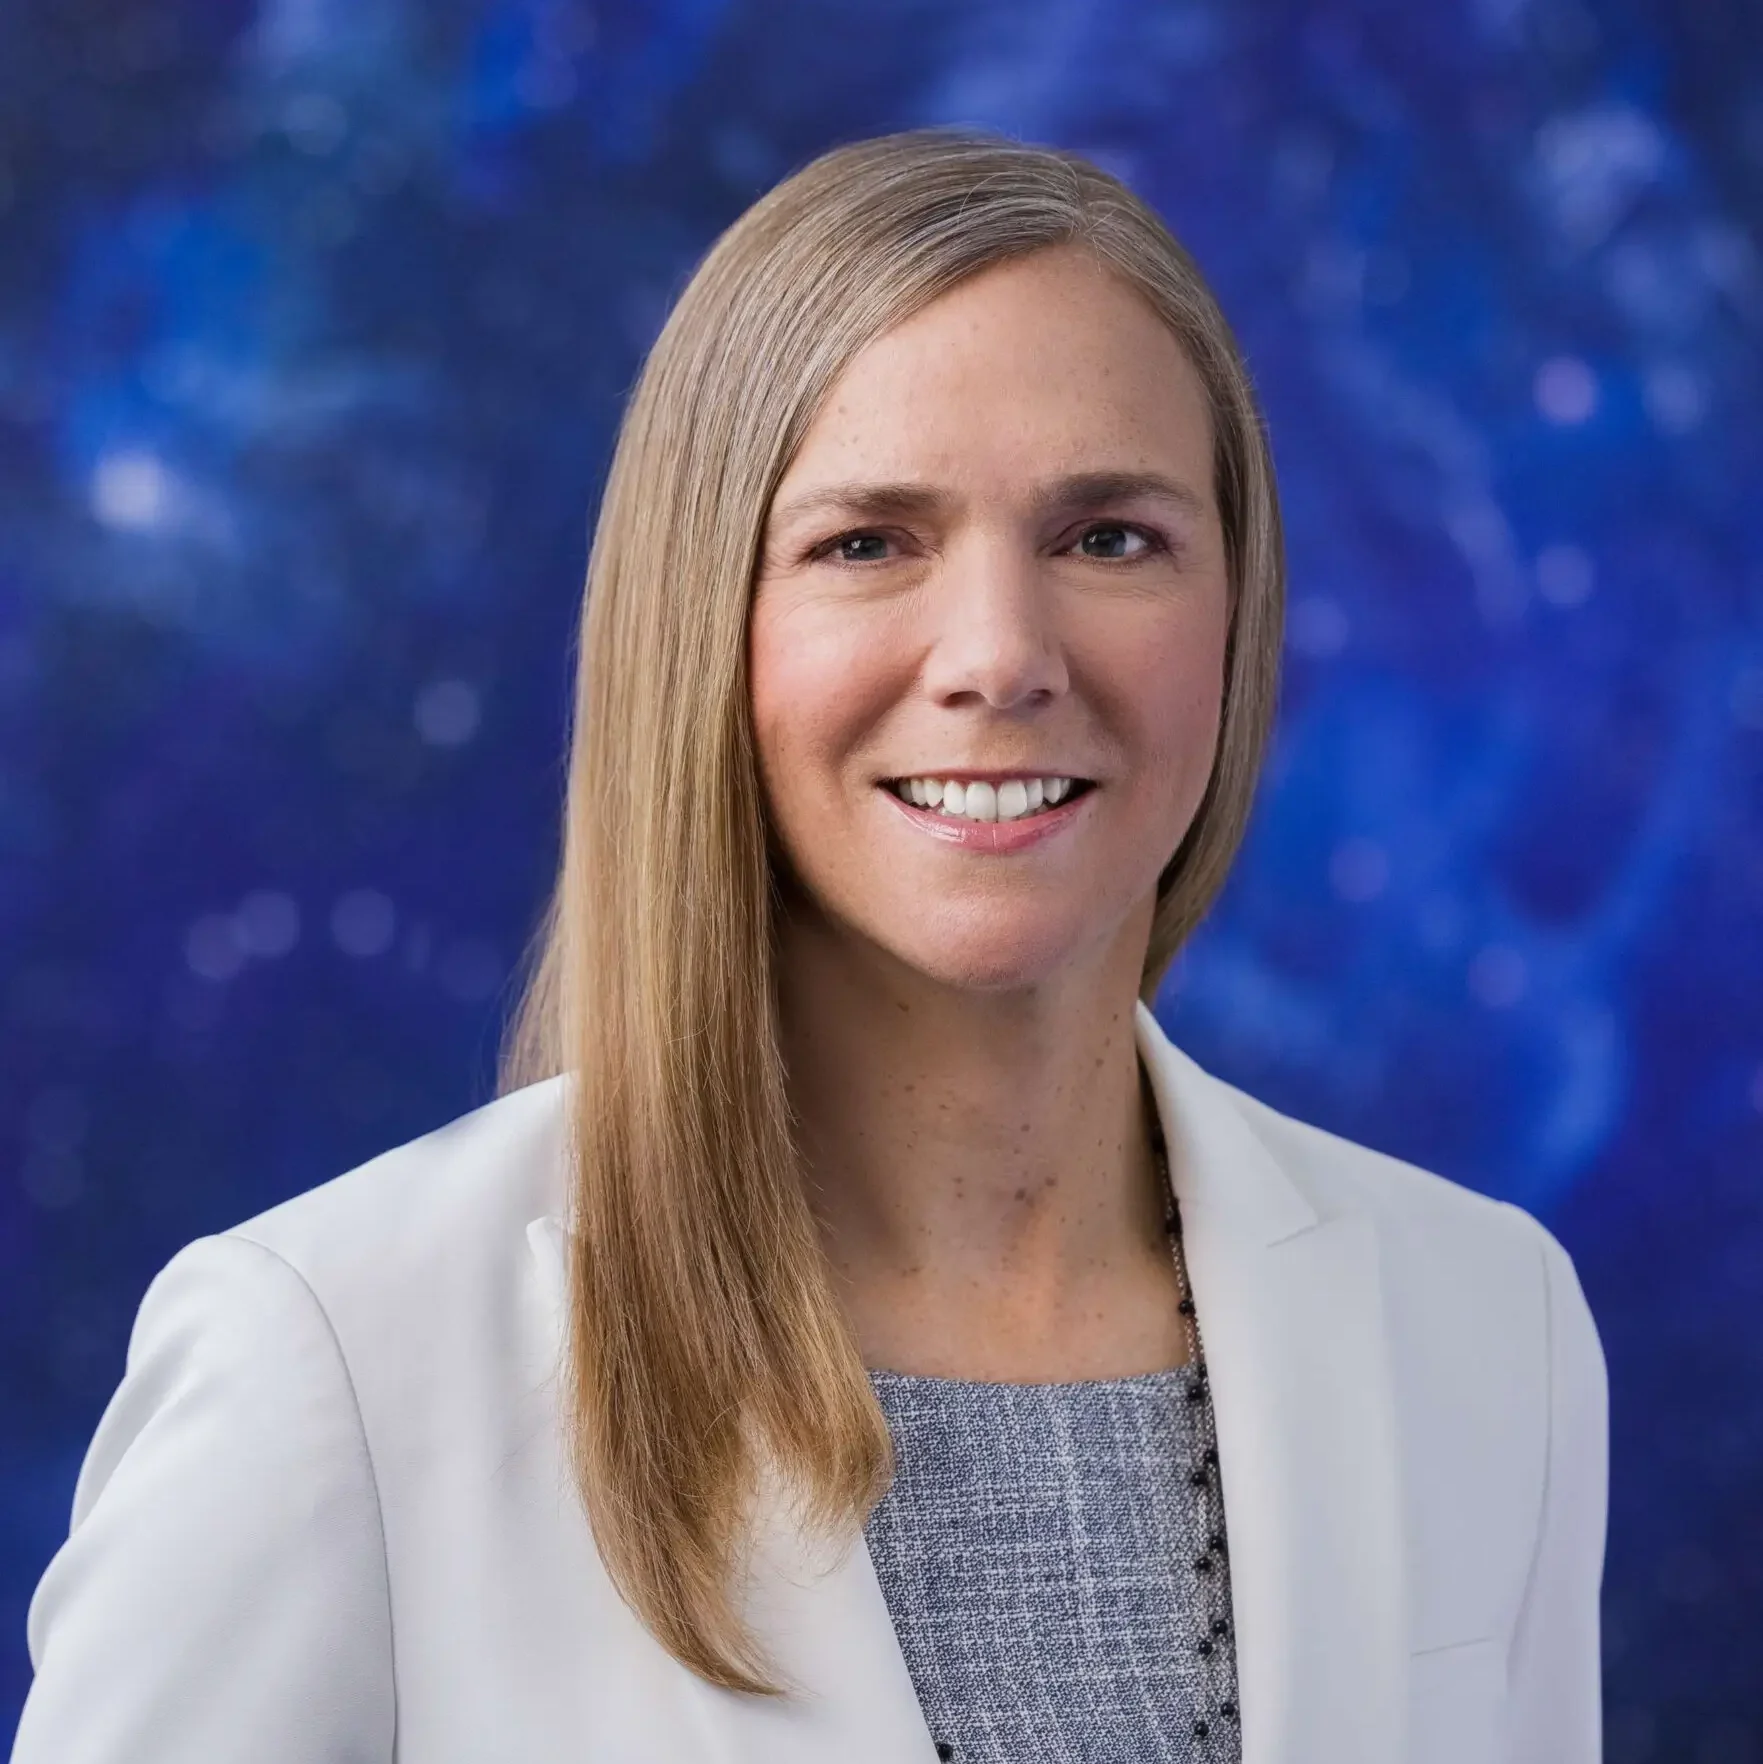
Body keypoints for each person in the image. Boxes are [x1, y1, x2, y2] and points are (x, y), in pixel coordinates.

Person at [13, 129, 1607, 1764]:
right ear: (704, 624)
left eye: (1108, 537)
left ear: (1238, 609)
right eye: (867, 543)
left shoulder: (1487, 1327)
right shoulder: (329, 1362)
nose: (1000, 655)